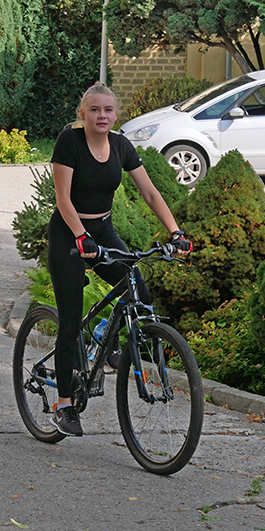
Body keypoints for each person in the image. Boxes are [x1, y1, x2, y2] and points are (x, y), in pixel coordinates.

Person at [47, 82, 192, 436]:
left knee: (137, 290)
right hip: (69, 232)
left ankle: (103, 339)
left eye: (108, 110)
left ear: (116, 114)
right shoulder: (70, 143)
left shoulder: (121, 146)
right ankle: (64, 405)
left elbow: (150, 192)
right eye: (94, 110)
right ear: (82, 114)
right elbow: (63, 198)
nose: (102, 116)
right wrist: (81, 237)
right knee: (68, 323)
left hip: (104, 229)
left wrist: (176, 233)